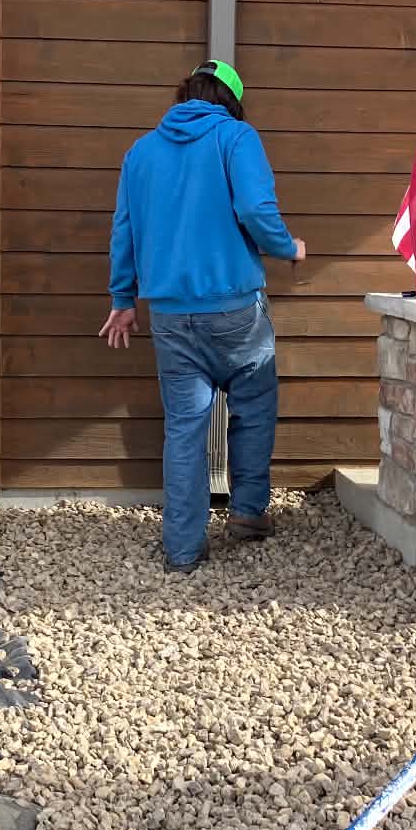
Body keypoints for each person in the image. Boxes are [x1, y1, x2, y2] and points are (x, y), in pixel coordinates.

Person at [100, 60, 305, 573]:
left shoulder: (141, 152)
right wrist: (288, 248)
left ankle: (183, 549)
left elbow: (124, 229)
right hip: (234, 309)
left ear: (184, 94)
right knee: (254, 407)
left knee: (185, 429)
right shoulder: (237, 137)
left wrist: (123, 301)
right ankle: (248, 511)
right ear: (231, 99)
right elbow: (257, 211)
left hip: (171, 316)